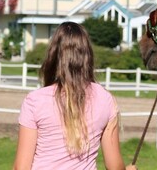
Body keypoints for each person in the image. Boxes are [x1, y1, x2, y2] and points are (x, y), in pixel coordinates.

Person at [13, 22, 137, 170]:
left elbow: (21, 167)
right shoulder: (106, 100)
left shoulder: (34, 101)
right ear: (88, 56)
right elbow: (115, 167)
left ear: (53, 55)